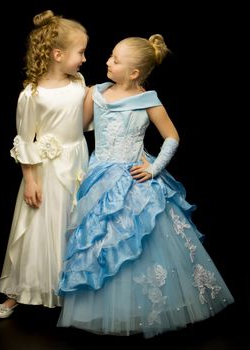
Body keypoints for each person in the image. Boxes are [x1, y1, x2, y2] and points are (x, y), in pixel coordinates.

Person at [56, 34, 234, 337]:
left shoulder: (149, 100)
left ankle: (143, 309)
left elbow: (172, 137)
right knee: (103, 239)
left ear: (135, 72)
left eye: (115, 59)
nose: (107, 61)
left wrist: (153, 169)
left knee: (139, 239)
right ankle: (104, 307)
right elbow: (77, 130)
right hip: (100, 177)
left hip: (135, 175)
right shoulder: (96, 94)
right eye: (111, 56)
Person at [0, 9, 89, 318]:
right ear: (58, 54)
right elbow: (24, 140)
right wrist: (31, 180)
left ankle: (75, 288)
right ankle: (21, 290)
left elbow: (83, 122)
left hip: (77, 162)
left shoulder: (79, 82)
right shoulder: (32, 95)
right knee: (38, 227)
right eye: (81, 52)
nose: (85, 59)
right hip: (46, 171)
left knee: (73, 223)